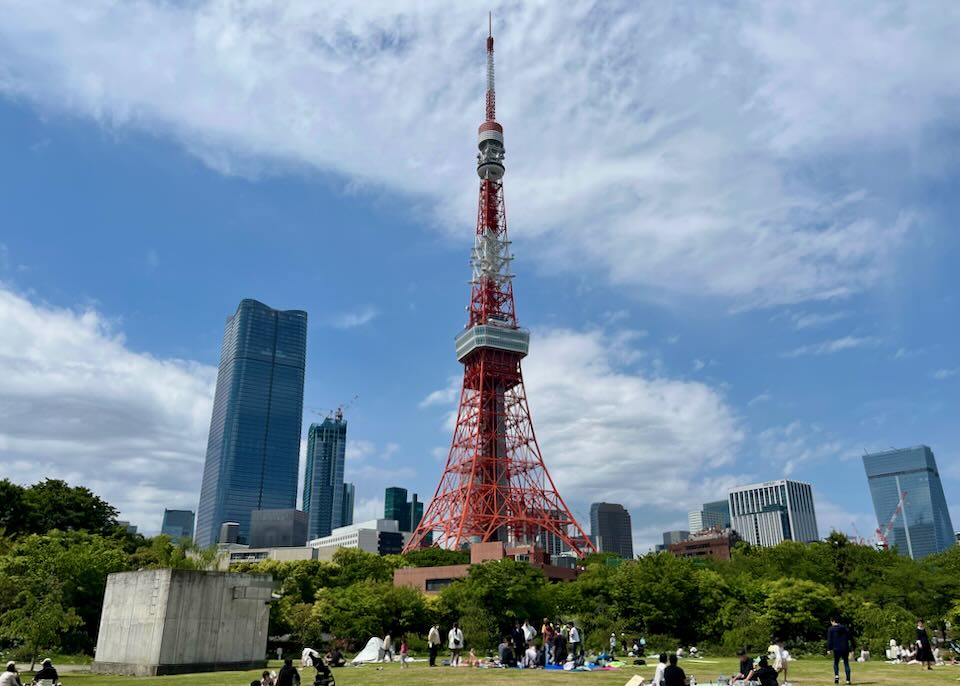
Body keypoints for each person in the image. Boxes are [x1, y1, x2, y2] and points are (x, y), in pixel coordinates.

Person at [827, 618, 852, 685]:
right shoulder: (844, 628)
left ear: (833, 621)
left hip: (836, 648)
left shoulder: (831, 629)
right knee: (846, 663)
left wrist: (829, 649)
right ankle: (848, 680)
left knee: (836, 662)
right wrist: (852, 648)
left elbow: (829, 640)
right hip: (845, 648)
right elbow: (850, 637)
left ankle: (836, 676)